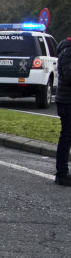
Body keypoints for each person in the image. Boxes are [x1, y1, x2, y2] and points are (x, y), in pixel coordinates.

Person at [55, 37, 71, 186]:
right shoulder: (68, 52)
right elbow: (68, 75)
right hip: (67, 101)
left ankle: (63, 172)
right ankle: (61, 173)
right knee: (66, 136)